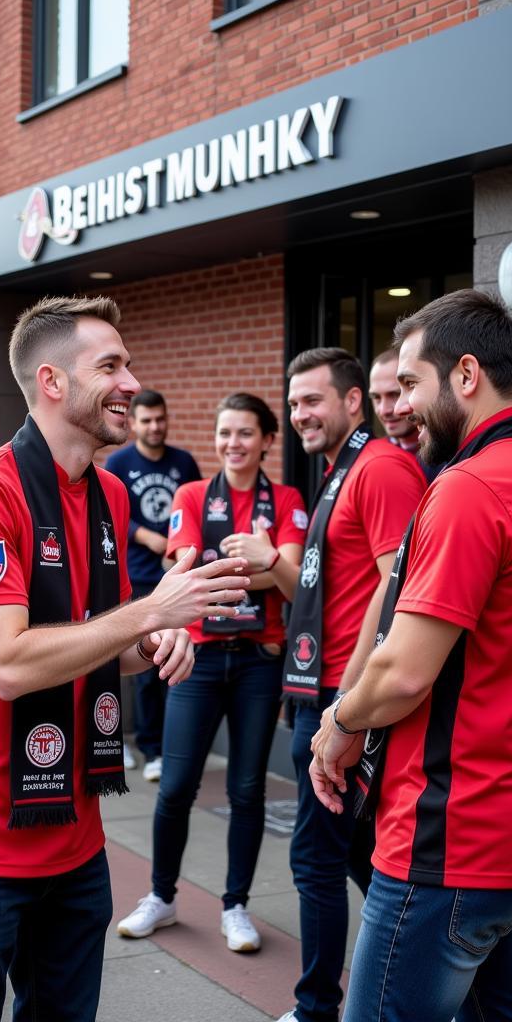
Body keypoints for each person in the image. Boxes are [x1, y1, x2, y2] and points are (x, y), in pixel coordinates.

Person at [0, 295, 252, 1022]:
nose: (132, 382)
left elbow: (101, 644)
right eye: (111, 366)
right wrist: (149, 613)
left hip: (75, 839)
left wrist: (152, 643)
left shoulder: (111, 495)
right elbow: (12, 664)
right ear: (52, 383)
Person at [310, 291, 512, 1022]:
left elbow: (403, 671)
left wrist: (339, 720)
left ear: (466, 375)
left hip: (454, 841)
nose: (398, 408)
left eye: (410, 384)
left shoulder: (469, 488)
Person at [117, 392, 305, 952]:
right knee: (174, 787)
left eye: (245, 433)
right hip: (197, 658)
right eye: (224, 433)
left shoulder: (289, 498)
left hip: (257, 662)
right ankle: (161, 896)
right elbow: (185, 573)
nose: (233, 444)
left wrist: (268, 562)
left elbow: (296, 585)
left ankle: (236, 906)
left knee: (247, 790)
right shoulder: (192, 493)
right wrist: (263, 561)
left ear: (268, 440)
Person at [276, 348, 426, 1022]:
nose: (300, 413)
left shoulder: (383, 468)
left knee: (316, 859)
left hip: (346, 701)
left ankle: (317, 1010)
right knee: (361, 858)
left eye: (314, 400)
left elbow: (397, 590)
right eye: (295, 401)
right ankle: (420, 980)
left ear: (353, 402)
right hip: (320, 691)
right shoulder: (341, 473)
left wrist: (350, 706)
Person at [105, 390, 200, 780]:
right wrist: (146, 537)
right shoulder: (120, 461)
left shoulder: (183, 462)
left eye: (160, 419)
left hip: (173, 579)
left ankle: (163, 746)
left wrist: (179, 549)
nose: (155, 427)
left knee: (170, 663)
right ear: (134, 422)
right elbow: (111, 513)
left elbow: (194, 506)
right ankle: (142, 744)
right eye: (146, 420)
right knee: (142, 669)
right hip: (136, 578)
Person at [368, 347, 440, 482]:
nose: (384, 410)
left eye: (394, 394)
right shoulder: (370, 459)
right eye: (376, 397)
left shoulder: (452, 458)